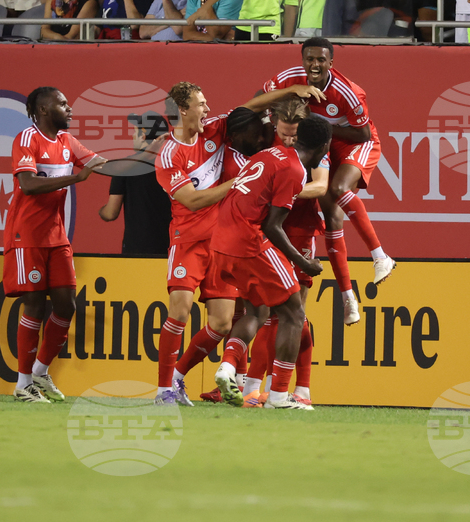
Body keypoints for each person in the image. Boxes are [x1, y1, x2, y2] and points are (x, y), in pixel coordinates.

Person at [152, 80, 323, 405]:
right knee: (180, 311)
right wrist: (239, 182)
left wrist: (290, 94)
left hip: (220, 242)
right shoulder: (169, 154)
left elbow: (252, 107)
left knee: (219, 322)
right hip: (187, 240)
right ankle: (163, 391)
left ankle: (177, 379)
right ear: (182, 110)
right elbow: (192, 200)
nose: (207, 109)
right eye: (201, 104)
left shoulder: (216, 130)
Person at [262, 37, 397, 321]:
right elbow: (258, 98)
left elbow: (362, 134)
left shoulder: (348, 92)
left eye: (321, 60)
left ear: (330, 63)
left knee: (336, 189)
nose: (314, 65)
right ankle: (349, 299)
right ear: (302, 60)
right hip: (323, 141)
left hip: (354, 142)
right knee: (332, 217)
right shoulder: (288, 79)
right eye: (309, 59)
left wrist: (320, 129)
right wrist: (293, 91)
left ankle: (380, 255)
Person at [212, 112, 330, 410]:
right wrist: (303, 263)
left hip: (221, 240)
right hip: (248, 242)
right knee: (293, 312)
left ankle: (226, 368)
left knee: (257, 310)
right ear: (324, 147)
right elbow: (272, 226)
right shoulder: (294, 170)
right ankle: (278, 396)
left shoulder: (267, 154)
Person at [4, 87, 107, 402]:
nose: (70, 108)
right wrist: (76, 179)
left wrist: (145, 155)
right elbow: (28, 184)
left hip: (56, 237)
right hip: (27, 236)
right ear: (45, 109)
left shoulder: (67, 141)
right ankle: (23, 385)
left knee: (65, 306)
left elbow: (100, 164)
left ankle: (39, 372)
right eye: (63, 103)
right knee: (34, 305)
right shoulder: (27, 139)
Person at [98, 111, 172, 254]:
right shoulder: (174, 164)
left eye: (135, 132)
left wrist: (101, 211)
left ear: (143, 136)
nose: (132, 136)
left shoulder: (125, 167)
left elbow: (110, 213)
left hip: (137, 250)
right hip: (171, 248)